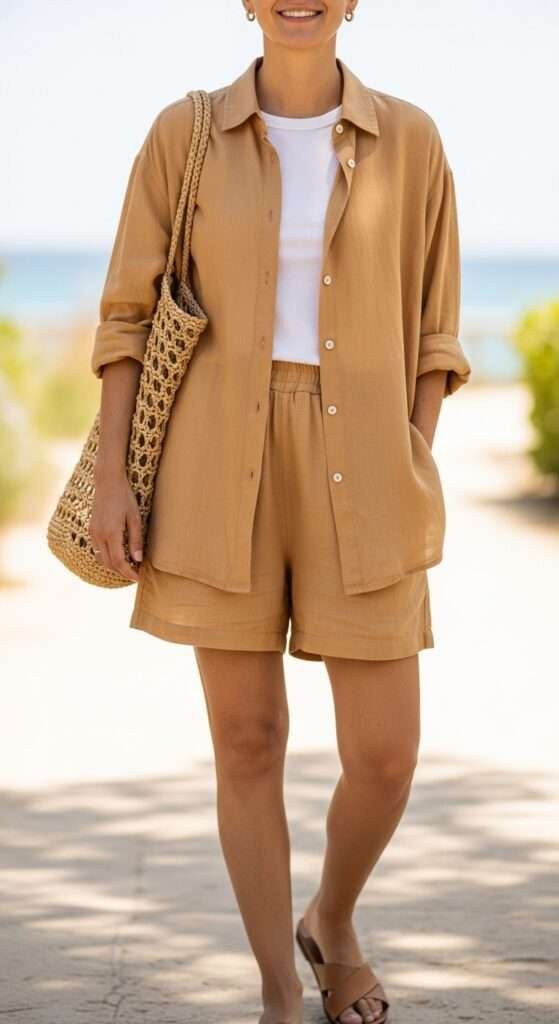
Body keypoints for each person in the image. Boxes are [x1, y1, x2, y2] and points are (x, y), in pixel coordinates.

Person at [89, 2, 472, 1022]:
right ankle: (278, 991)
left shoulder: (412, 140)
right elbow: (128, 316)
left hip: (369, 460)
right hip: (217, 457)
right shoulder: (184, 134)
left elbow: (436, 331)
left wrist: (413, 453)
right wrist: (116, 477)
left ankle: (331, 919)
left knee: (384, 757)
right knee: (248, 739)